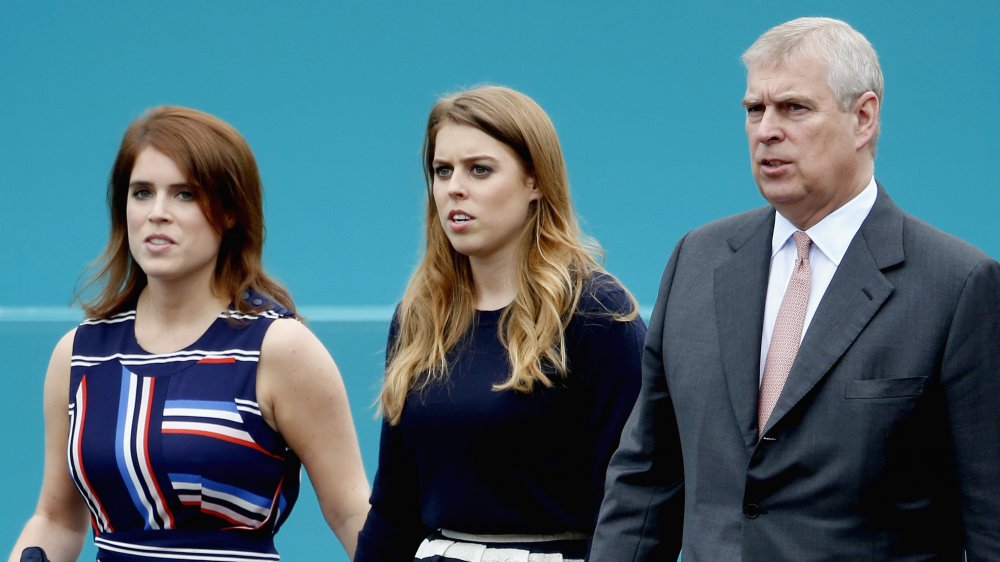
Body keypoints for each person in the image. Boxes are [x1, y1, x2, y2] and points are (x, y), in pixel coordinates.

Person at [591, 16, 1000, 562]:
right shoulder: (698, 258)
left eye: (794, 108)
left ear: (863, 118)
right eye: (754, 110)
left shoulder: (957, 285)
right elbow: (645, 477)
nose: (766, 130)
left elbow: (990, 515)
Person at [7, 106, 371, 562]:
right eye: (142, 193)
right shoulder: (78, 355)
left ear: (232, 211)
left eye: (184, 195)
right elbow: (56, 520)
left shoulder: (279, 349)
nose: (157, 213)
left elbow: (351, 512)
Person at [354, 85, 645, 562]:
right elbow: (394, 505)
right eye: (441, 170)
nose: (454, 188)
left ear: (535, 181)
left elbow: (629, 504)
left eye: (480, 170)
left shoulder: (596, 313)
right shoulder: (421, 314)